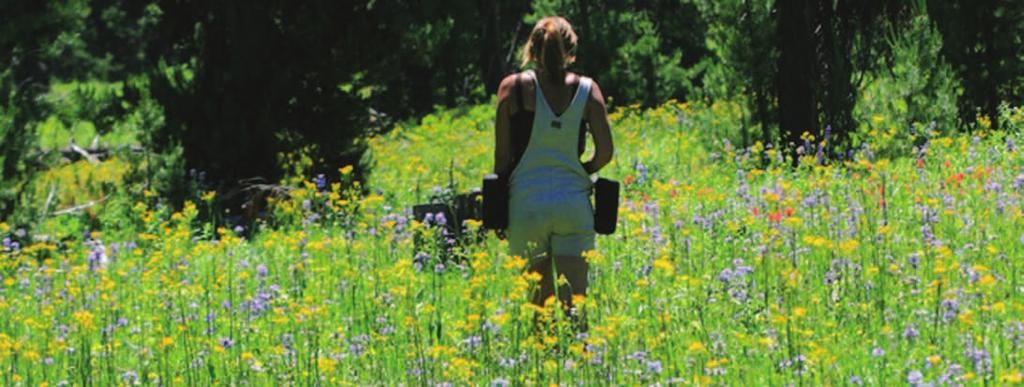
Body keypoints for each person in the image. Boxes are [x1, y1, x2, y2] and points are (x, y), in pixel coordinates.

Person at [493, 16, 614, 326]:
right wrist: (581, 170)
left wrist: (497, 208)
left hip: (525, 206)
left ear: (532, 49)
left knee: (540, 316)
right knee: (576, 310)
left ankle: (547, 370)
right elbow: (605, 153)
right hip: (573, 205)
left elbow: (502, 160)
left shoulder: (512, 88)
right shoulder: (588, 90)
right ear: (570, 49)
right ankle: (583, 367)